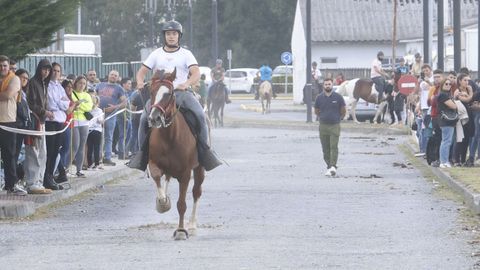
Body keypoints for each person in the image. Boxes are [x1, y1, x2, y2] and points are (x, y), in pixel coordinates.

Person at [132, 20, 222, 171]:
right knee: (143, 119)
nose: (171, 37)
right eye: (168, 34)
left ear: (179, 36)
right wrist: (140, 82)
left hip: (180, 93)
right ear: (164, 36)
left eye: (174, 34)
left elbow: (196, 73)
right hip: (160, 96)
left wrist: (185, 84)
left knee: (200, 116)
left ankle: (205, 153)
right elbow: (141, 72)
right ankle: (142, 155)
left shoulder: (186, 54)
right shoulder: (156, 54)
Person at [24, 59, 53, 194]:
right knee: (33, 153)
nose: (46, 72)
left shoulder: (44, 84)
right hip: (33, 122)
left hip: (41, 122)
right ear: (39, 69)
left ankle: (39, 182)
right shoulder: (33, 83)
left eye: (48, 70)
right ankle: (32, 183)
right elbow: (30, 104)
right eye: (44, 69)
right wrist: (44, 112)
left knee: (43, 153)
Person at [0, 55, 26, 195]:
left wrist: (4, 93)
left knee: (9, 155)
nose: (2, 68)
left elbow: (8, 95)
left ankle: (11, 185)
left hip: (8, 122)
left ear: (8, 66)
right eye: (0, 66)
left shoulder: (14, 79)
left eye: (4, 65)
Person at [44, 62, 70, 190]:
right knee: (49, 150)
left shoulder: (59, 86)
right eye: (54, 70)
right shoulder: (46, 85)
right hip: (50, 121)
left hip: (59, 120)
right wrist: (61, 103)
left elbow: (66, 104)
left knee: (55, 151)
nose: (56, 73)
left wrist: (60, 103)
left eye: (58, 71)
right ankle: (46, 177)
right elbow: (51, 103)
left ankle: (50, 175)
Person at [314, 78, 346, 177]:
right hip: (323, 125)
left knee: (333, 147)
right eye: (326, 84)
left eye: (329, 84)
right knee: (325, 148)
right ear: (323, 86)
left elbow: (343, 110)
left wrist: (338, 118)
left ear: (332, 85)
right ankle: (329, 166)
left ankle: (333, 166)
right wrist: (322, 117)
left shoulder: (338, 97)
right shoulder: (319, 97)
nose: (328, 86)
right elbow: (316, 111)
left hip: (335, 125)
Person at [95, 70, 127, 165]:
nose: (113, 76)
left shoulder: (119, 88)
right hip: (98, 114)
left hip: (111, 115)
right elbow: (93, 97)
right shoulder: (100, 85)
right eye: (112, 74)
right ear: (108, 75)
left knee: (108, 136)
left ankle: (107, 157)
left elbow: (124, 103)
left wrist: (114, 107)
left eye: (115, 75)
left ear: (118, 78)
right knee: (96, 136)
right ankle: (96, 158)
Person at [71, 76, 94, 177]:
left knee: (82, 146)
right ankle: (66, 168)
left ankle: (79, 169)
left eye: (84, 83)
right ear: (76, 83)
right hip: (74, 121)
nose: (82, 85)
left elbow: (89, 107)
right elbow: (72, 105)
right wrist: (78, 105)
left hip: (84, 122)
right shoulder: (72, 93)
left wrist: (79, 106)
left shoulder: (87, 95)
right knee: (74, 146)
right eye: (80, 83)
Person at [414, 64, 433, 157]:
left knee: (428, 129)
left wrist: (428, 81)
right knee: (422, 129)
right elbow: (416, 92)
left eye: (427, 70)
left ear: (430, 70)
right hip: (424, 107)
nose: (426, 72)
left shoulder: (433, 79)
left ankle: (427, 151)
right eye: (424, 71)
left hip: (431, 107)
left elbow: (435, 88)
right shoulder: (422, 81)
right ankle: (423, 149)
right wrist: (418, 82)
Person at [438, 78, 457, 168]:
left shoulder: (447, 94)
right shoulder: (443, 95)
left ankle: (445, 160)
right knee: (446, 141)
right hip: (446, 121)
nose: (448, 85)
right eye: (446, 84)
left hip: (448, 121)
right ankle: (443, 161)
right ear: (442, 85)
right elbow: (453, 106)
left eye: (450, 84)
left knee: (447, 141)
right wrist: (455, 98)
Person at [87, 96, 104, 169]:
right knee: (97, 147)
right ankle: (97, 163)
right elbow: (100, 121)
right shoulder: (99, 110)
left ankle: (89, 163)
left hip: (88, 130)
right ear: (97, 102)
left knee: (90, 148)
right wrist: (103, 121)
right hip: (97, 130)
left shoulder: (88, 110)